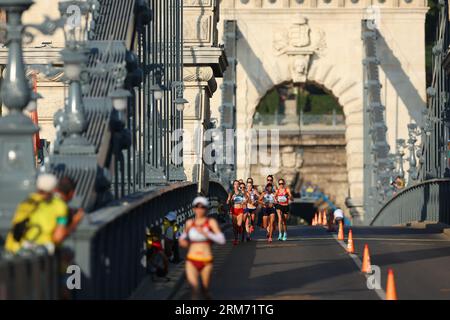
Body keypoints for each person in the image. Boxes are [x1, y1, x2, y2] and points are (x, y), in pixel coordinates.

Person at [4, 174, 69, 255]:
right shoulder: (59, 206)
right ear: (54, 188)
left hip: (17, 249)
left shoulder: (26, 202)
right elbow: (58, 236)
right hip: (44, 252)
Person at [179, 196, 225, 300]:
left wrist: (206, 233)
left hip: (206, 260)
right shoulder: (190, 223)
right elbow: (183, 237)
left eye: (202, 207)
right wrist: (182, 241)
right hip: (192, 260)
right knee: (195, 289)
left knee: (205, 290)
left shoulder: (211, 223)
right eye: (197, 207)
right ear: (194, 209)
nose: (199, 209)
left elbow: (221, 240)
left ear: (206, 209)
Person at [227, 180, 247, 245]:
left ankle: (240, 230)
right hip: (234, 210)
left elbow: (246, 199)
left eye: (237, 184)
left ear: (239, 185)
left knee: (239, 224)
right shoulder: (231, 193)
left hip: (240, 209)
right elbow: (227, 202)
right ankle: (236, 239)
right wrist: (230, 200)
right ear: (233, 185)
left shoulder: (242, 193)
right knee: (234, 226)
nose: (236, 185)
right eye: (235, 184)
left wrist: (244, 202)